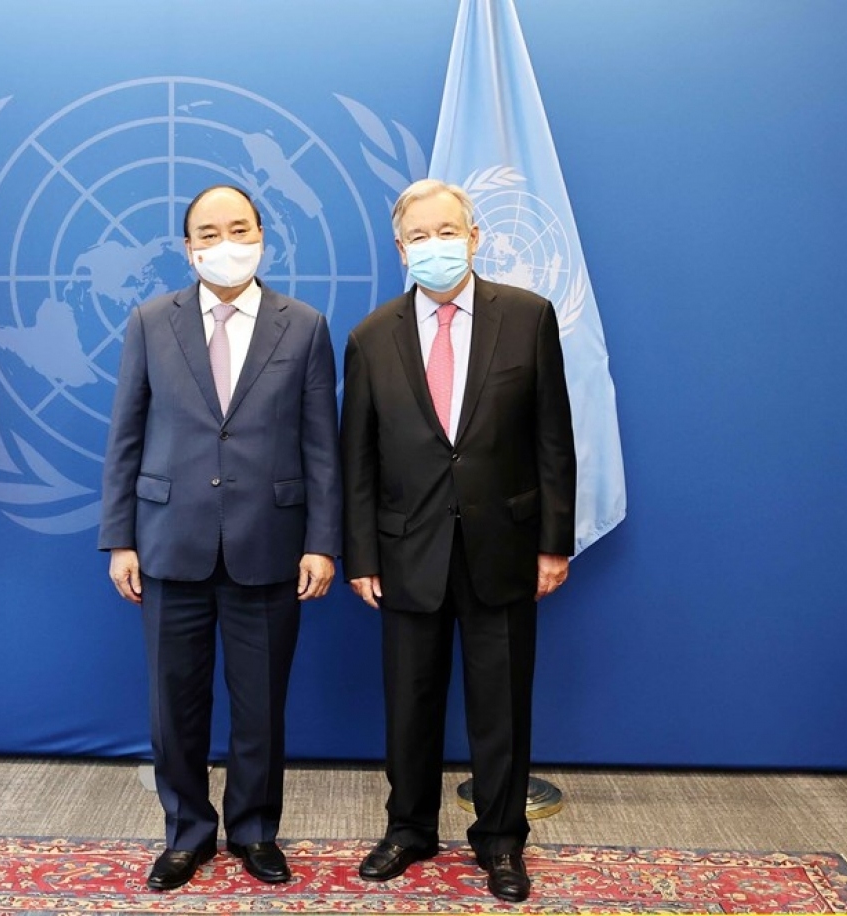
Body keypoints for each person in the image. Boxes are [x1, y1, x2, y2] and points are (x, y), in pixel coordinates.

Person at [340, 179, 576, 903]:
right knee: (409, 704)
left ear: (474, 237)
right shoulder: (371, 336)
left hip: (503, 548)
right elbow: (358, 459)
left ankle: (502, 840)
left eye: (447, 230)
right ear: (400, 248)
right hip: (406, 551)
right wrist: (361, 557)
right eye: (419, 235)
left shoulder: (528, 317)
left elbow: (553, 440)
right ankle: (408, 829)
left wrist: (553, 543)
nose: (434, 245)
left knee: (500, 705)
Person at [99, 185, 341, 891]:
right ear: (188, 247)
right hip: (168, 542)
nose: (225, 242)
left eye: (239, 228)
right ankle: (186, 833)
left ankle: (256, 830)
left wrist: (322, 541)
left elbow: (322, 446)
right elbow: (126, 436)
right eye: (209, 232)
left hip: (271, 545)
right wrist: (121, 538)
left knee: (261, 703)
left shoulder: (305, 326)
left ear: (263, 235)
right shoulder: (150, 320)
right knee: (174, 704)